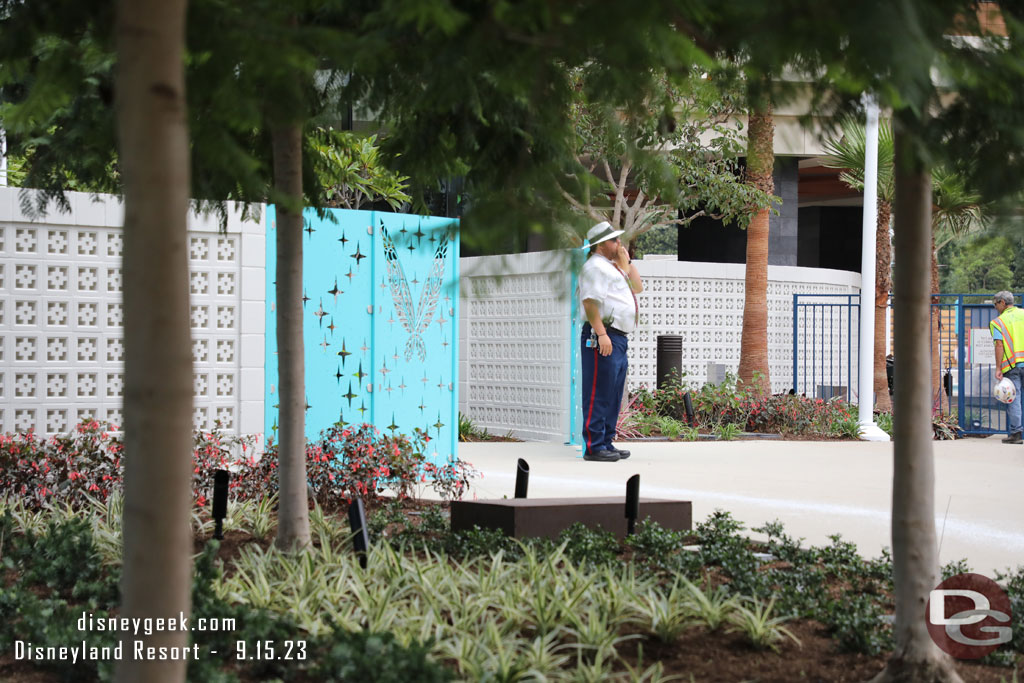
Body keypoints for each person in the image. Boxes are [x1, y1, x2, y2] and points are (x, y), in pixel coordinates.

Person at [578, 221, 643, 462]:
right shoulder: (596, 267)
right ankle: (594, 446)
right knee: (598, 391)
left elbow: (637, 287)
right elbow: (590, 302)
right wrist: (602, 334)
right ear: (602, 244)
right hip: (603, 334)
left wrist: (627, 263)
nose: (619, 243)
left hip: (617, 337)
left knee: (612, 392)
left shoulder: (612, 267)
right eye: (614, 240)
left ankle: (605, 441)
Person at [990, 290, 1024, 444]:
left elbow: (999, 345)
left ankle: (1016, 433)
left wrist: (998, 368)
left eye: (995, 304)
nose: (995, 307)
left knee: (1014, 399)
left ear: (1002, 302)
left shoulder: (998, 322)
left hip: (1012, 365)